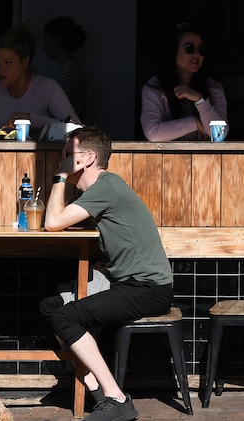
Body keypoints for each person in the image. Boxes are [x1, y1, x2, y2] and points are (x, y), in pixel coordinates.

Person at [40, 126, 173, 421]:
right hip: (129, 283)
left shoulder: (105, 186)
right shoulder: (103, 189)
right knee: (53, 306)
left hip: (148, 288)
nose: (62, 160)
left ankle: (116, 397)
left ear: (87, 158)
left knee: (65, 316)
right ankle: (97, 389)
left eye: (67, 155)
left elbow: (52, 222)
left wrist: (60, 177)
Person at [0, 23, 80, 134]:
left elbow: (76, 128)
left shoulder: (47, 88)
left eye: (8, 62)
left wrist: (31, 120)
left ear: (25, 61)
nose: (0, 69)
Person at [140, 23, 227, 142]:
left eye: (201, 50)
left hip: (207, 159)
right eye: (189, 48)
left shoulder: (214, 88)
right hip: (165, 159)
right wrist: (194, 122)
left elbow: (218, 135)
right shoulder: (155, 87)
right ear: (173, 50)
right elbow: (153, 134)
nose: (197, 54)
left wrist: (200, 100)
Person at [43, 16, 88, 118]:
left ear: (58, 40)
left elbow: (54, 107)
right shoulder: (72, 67)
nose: (44, 46)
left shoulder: (69, 70)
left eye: (47, 39)